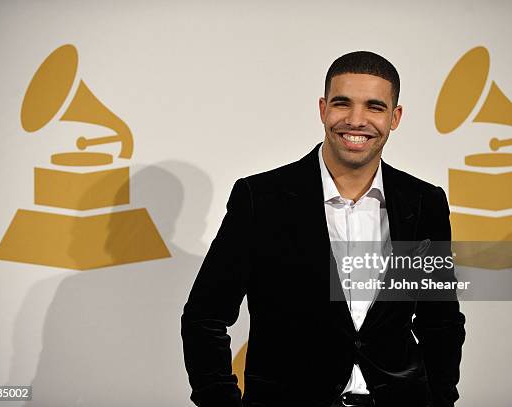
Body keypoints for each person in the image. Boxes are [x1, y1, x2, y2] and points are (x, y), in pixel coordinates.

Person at [181, 51, 466, 407]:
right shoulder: (261, 199)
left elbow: (439, 321)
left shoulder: (423, 202)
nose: (356, 120)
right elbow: (205, 318)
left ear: (395, 117)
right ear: (322, 109)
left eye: (374, 107)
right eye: (342, 103)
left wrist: (440, 401)